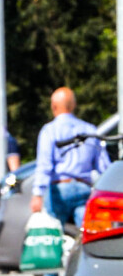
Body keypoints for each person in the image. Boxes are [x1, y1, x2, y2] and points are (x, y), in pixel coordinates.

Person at [30, 87, 108, 235]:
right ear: (73, 106)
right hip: (84, 189)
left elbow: (44, 166)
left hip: (59, 190)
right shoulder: (90, 129)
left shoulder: (49, 130)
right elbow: (103, 167)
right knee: (88, 234)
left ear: (53, 107)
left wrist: (37, 194)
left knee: (53, 236)